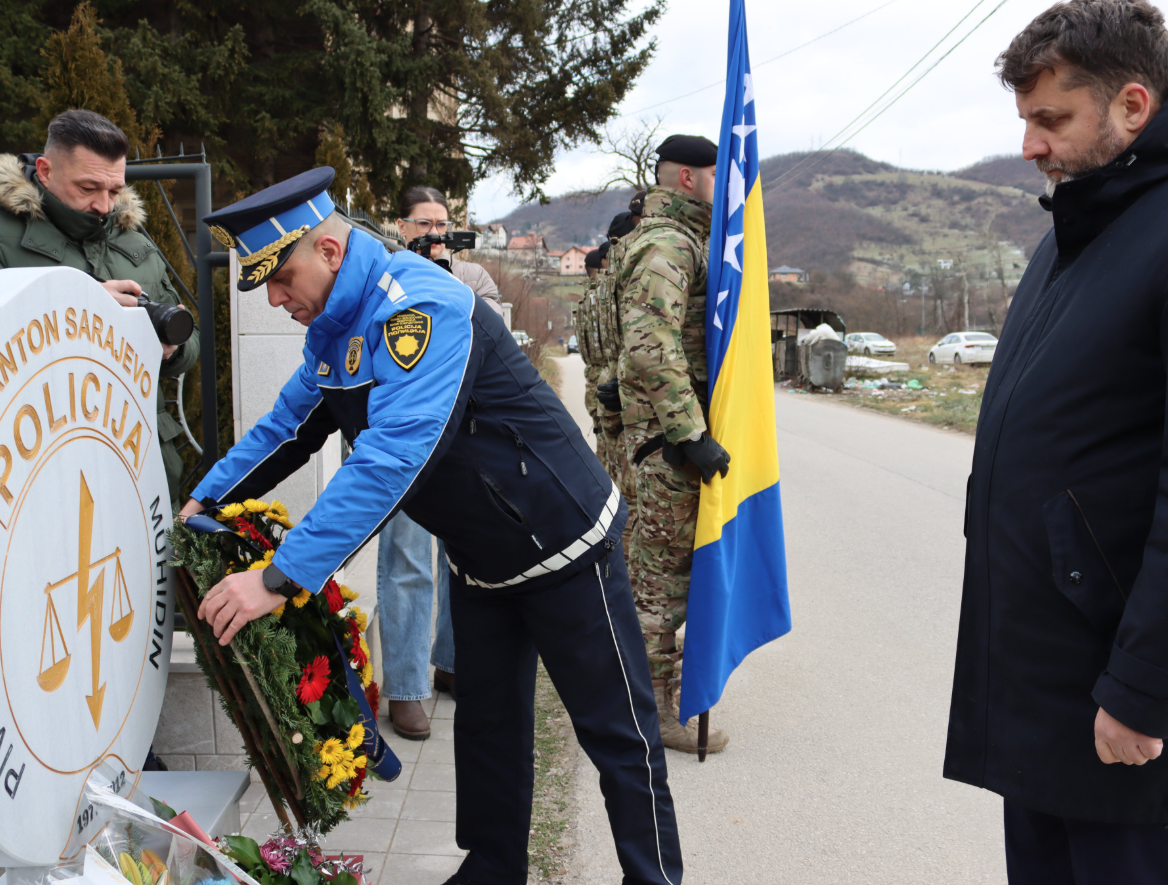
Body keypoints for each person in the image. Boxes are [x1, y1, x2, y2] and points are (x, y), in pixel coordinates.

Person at [183, 167, 681, 885]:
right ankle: (492, 868)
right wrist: (203, 501)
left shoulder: (421, 306)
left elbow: (390, 460)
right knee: (486, 727)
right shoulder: (332, 332)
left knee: (615, 729)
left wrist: (278, 576)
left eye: (282, 277)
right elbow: (285, 428)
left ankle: (653, 876)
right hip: (483, 556)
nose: (275, 298)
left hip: (562, 541)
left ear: (328, 252)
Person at [945, 2, 1168, 881]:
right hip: (1042, 682)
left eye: (1051, 120)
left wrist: (1143, 685)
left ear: (1133, 107)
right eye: (1025, 121)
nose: (1031, 146)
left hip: (1117, 691)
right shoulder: (1071, 233)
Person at [0, 109, 198, 505]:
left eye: (113, 190)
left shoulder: (132, 239)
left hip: (137, 463)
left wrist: (170, 349)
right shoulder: (6, 235)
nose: (104, 206)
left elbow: (190, 346)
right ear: (44, 170)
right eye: (89, 188)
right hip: (37, 468)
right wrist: (81, 306)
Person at [614, 134, 731, 755]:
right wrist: (689, 431)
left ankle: (660, 700)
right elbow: (647, 341)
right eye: (717, 174)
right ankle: (655, 714)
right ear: (687, 178)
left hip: (666, 436)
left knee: (663, 575)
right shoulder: (668, 243)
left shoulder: (685, 239)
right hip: (669, 442)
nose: (725, 186)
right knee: (660, 584)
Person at [373, 186, 489, 740]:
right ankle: (405, 687)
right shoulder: (382, 278)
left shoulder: (472, 278)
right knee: (409, 560)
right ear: (402, 226)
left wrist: (444, 272)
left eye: (443, 223)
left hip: (462, 439)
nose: (436, 233)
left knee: (457, 557)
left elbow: (486, 337)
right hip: (402, 440)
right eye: (425, 224)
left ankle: (449, 663)